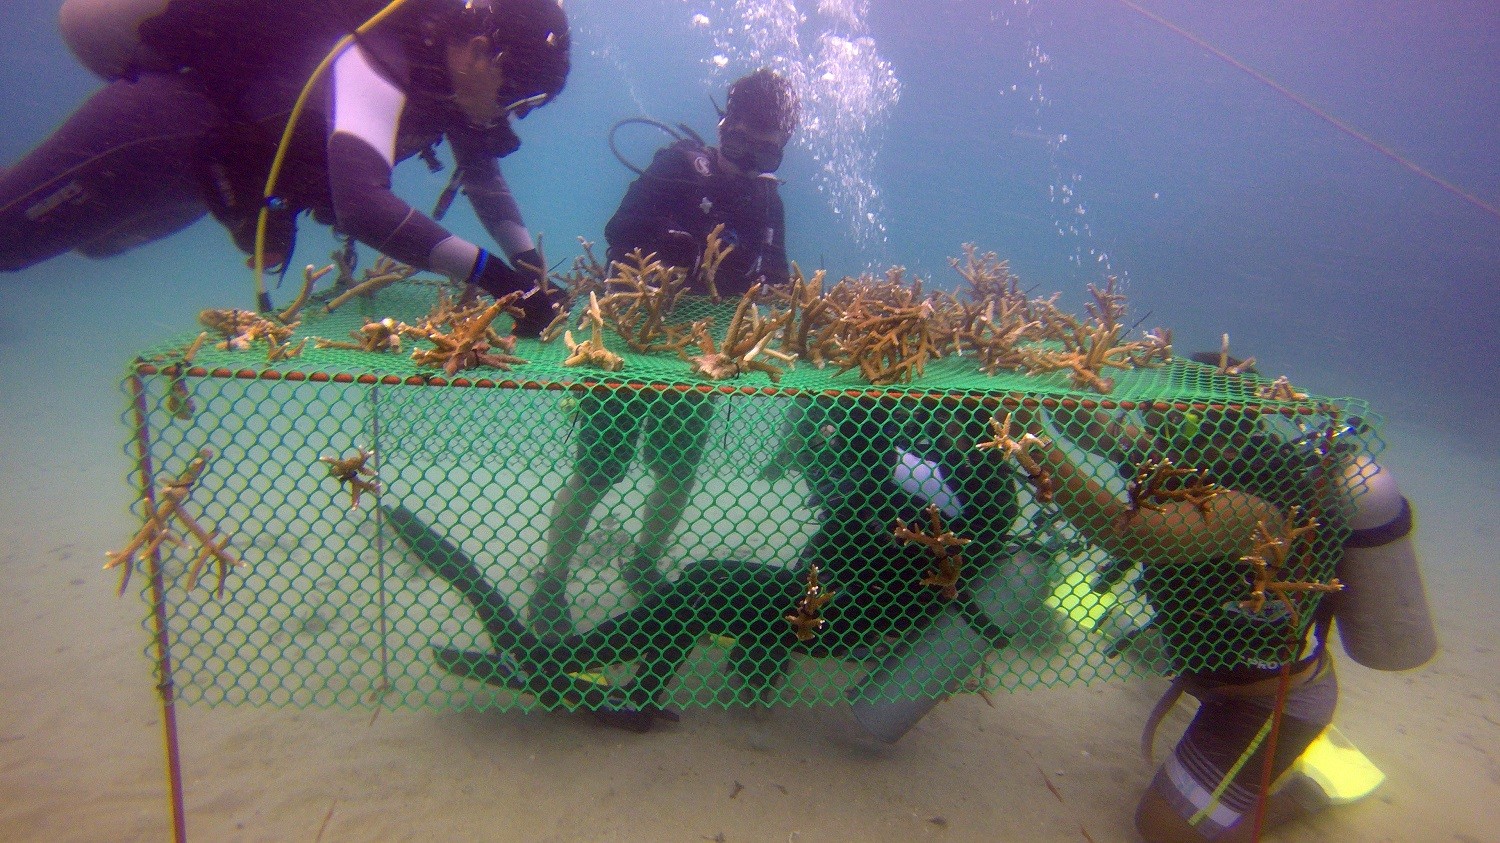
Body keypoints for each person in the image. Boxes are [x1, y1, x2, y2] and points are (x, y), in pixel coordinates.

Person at [386, 397, 1025, 733]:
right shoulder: (941, 466)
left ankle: (565, 664)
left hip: (846, 617)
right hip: (830, 601)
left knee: (707, 586)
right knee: (701, 589)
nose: (942, 425)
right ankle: (623, 688)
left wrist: (874, 449)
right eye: (947, 416)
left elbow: (891, 526)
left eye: (960, 419)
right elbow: (846, 527)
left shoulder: (971, 482)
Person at [1009, 380, 1429, 842]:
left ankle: (1305, 794)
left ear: (1204, 423)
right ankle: (1245, 764)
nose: (1149, 417)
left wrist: (1030, 438)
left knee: (1160, 828)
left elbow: (1129, 534)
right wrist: (1036, 387)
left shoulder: (1252, 508)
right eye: (1151, 406)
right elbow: (1088, 428)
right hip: (1216, 669)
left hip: (1267, 702)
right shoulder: (1182, 455)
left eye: (1166, 410)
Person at [0, 0, 568, 333]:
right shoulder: (382, 56)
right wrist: (499, 282)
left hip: (209, 182)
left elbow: (484, 178)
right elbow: (364, 207)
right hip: (153, 137)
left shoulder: (453, 91)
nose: (509, 114)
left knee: (95, 243)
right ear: (475, 50)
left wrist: (529, 264)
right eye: (516, 94)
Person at [529, 68, 800, 636]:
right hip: (628, 339)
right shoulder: (678, 166)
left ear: (782, 146)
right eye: (739, 140)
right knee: (599, 466)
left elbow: (775, 278)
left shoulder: (768, 201)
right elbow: (617, 229)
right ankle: (550, 580)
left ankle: (643, 563)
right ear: (723, 127)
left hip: (697, 352)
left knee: (677, 469)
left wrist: (770, 294)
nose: (747, 158)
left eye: (764, 147)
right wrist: (669, 250)